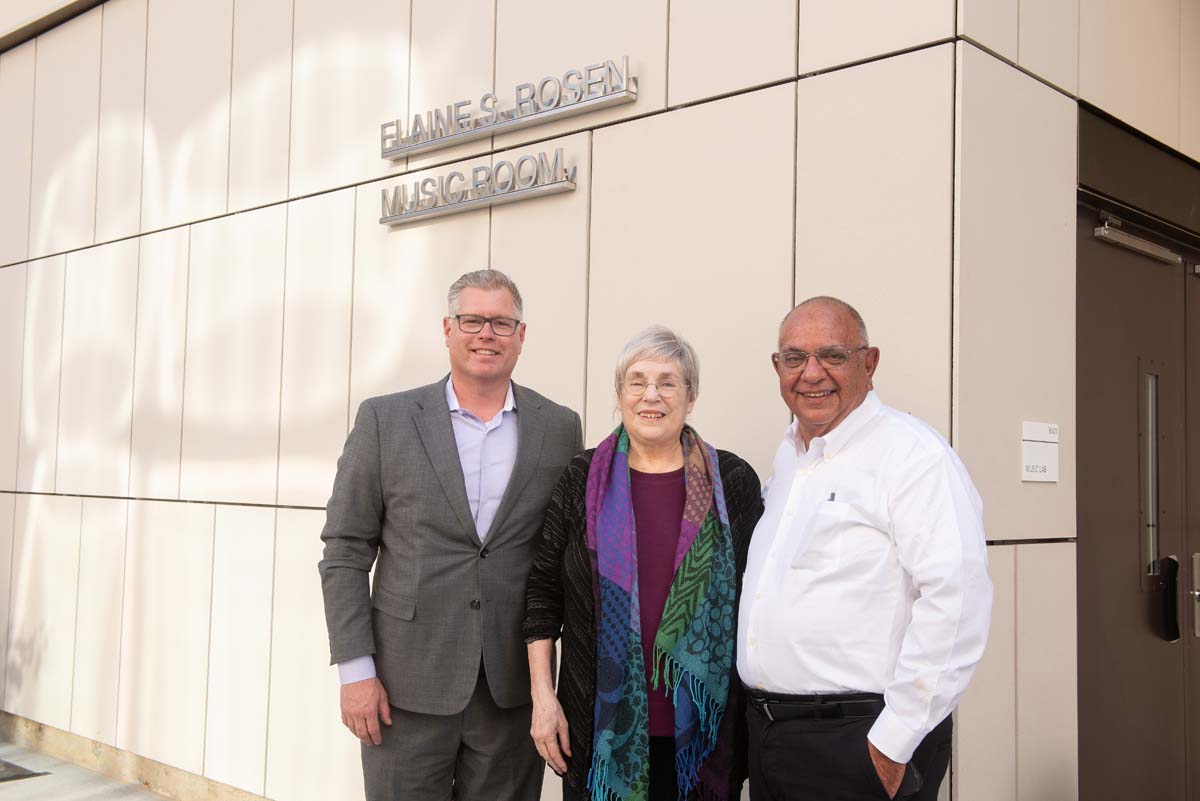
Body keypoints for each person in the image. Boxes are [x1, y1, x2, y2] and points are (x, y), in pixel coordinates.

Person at [318, 269, 583, 801]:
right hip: (403, 687)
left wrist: (550, 688)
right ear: (447, 329)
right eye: (473, 320)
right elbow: (345, 550)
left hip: (510, 692)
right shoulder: (385, 420)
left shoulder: (559, 428)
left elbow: (559, 557)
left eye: (502, 323)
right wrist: (355, 671)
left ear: (521, 335)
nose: (487, 333)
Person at [738, 296, 993, 801]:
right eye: (794, 358)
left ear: (869, 363)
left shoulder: (912, 456)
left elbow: (956, 599)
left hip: (858, 742)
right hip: (772, 736)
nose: (811, 374)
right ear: (777, 368)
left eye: (831, 355)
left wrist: (891, 745)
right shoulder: (791, 458)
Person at [523, 326, 764, 801]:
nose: (650, 394)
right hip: (598, 728)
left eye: (668, 381)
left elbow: (761, 600)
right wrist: (543, 697)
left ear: (690, 397)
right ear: (619, 395)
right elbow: (542, 595)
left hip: (702, 732)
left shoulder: (731, 482)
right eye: (637, 381)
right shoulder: (581, 480)